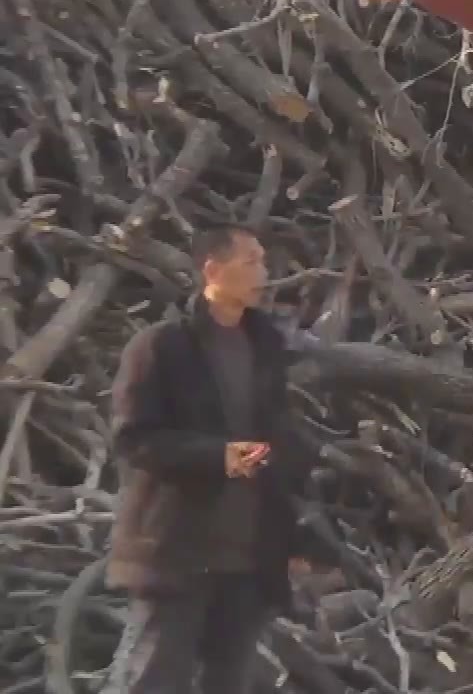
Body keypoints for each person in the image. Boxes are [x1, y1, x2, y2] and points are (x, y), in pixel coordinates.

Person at [107, 223, 317, 694]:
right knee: (157, 682)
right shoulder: (160, 346)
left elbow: (283, 443)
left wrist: (294, 538)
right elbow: (133, 438)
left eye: (263, 261)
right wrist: (215, 456)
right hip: (177, 554)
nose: (263, 273)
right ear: (212, 270)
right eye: (251, 262)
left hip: (247, 558)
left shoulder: (266, 348)